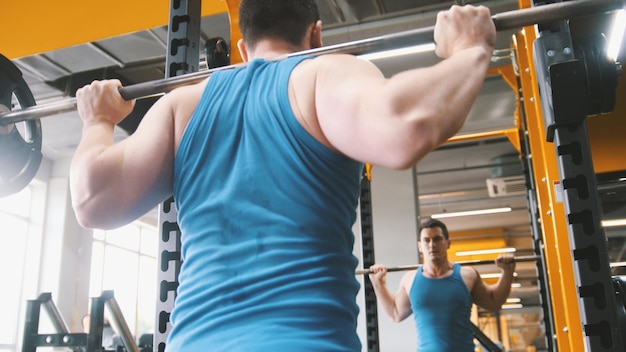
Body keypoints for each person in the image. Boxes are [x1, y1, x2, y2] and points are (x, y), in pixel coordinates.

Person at [69, 0, 496, 350]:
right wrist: (471, 48)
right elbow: (408, 126)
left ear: (242, 47)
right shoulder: (320, 74)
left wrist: (98, 122)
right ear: (316, 34)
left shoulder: (180, 108)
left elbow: (92, 200)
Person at [368, 219, 516, 352]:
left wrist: (507, 272)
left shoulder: (467, 275)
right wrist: (377, 283)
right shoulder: (410, 279)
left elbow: (494, 302)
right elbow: (395, 313)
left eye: (437, 239)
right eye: (426, 240)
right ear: (420, 246)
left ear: (448, 243)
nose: (432, 245)